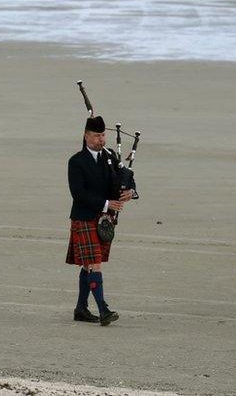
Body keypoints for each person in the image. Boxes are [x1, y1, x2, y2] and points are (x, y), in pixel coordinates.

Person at [66, 116, 133, 326]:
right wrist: (107, 204)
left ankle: (81, 308)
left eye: (103, 135)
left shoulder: (111, 156)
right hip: (84, 218)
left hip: (104, 220)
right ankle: (103, 309)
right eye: (96, 136)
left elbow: (125, 176)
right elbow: (78, 194)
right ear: (86, 136)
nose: (101, 140)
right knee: (94, 263)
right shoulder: (76, 162)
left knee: (89, 265)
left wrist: (130, 191)